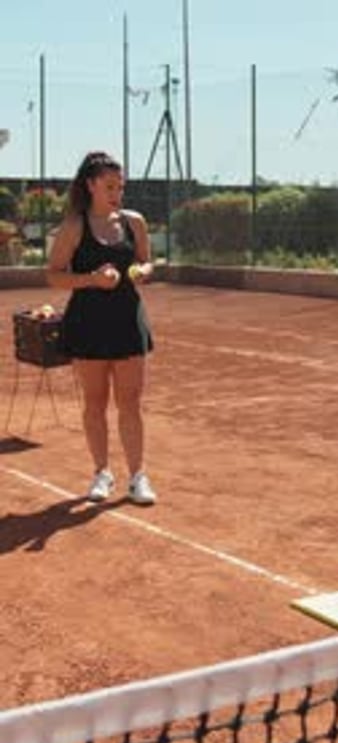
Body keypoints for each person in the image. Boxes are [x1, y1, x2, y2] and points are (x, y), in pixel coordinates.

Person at [47, 150, 156, 505]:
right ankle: (102, 473)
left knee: (131, 402)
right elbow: (54, 275)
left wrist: (145, 272)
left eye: (120, 187)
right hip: (88, 324)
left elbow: (145, 262)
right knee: (94, 402)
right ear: (91, 185)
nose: (116, 193)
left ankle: (137, 477)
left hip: (127, 320)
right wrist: (92, 280)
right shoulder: (75, 226)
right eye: (109, 186)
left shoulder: (134, 222)